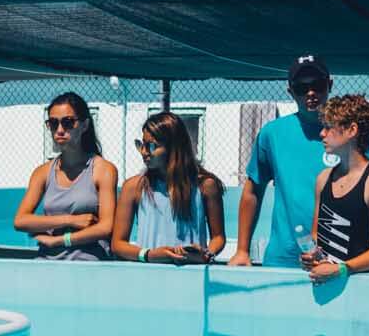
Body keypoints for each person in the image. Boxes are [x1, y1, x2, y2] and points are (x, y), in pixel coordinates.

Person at [232, 55, 369, 267]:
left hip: (341, 263)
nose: (311, 93)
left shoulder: (354, 137)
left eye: (317, 85)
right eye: (301, 88)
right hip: (284, 259)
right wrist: (242, 251)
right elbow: (252, 191)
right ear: (290, 92)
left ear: (330, 84)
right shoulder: (272, 134)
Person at [12, 91, 118, 260]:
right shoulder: (42, 172)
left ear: (84, 126)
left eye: (68, 122)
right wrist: (69, 220)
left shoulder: (103, 170)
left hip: (89, 264)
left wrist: (61, 241)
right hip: (47, 263)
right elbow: (20, 221)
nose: (60, 130)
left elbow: (106, 227)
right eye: (53, 123)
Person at [302, 93, 369, 282]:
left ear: (352, 130)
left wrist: (342, 269)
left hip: (363, 287)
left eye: (329, 127)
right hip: (327, 283)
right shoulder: (323, 179)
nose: (322, 134)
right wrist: (313, 257)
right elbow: (316, 234)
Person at [111, 112, 225, 265]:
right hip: (149, 277)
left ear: (174, 147)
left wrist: (206, 254)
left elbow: (218, 237)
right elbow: (117, 244)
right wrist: (149, 254)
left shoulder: (206, 186)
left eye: (152, 146)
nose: (144, 152)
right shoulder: (133, 188)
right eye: (141, 145)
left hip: (193, 278)